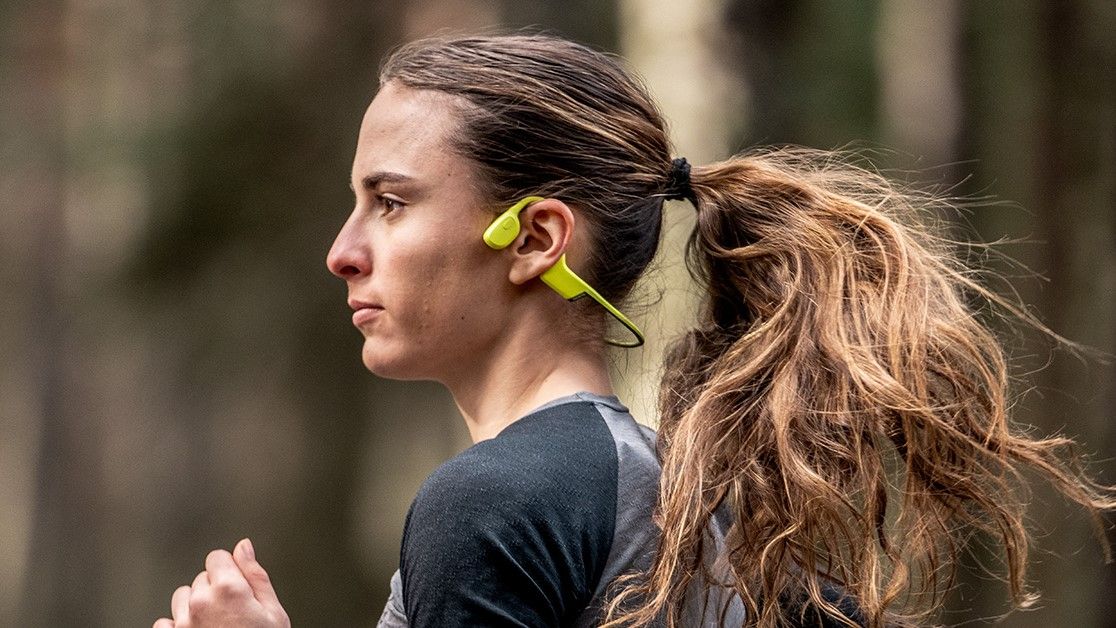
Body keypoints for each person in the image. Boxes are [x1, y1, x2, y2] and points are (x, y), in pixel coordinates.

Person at [153, 33, 1115, 628]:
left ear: (534, 238)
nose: (343, 251)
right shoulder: (698, 504)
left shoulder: (494, 506)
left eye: (390, 204)